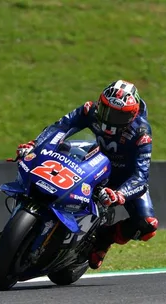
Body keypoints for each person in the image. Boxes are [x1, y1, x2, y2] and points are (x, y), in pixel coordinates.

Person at [16, 80, 158, 269]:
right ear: (100, 103)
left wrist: (120, 194)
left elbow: (141, 177)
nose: (109, 118)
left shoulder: (142, 133)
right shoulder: (89, 110)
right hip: (92, 163)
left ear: (131, 116)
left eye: (118, 116)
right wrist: (34, 144)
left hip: (124, 179)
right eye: (106, 110)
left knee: (148, 226)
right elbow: (60, 127)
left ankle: (104, 239)